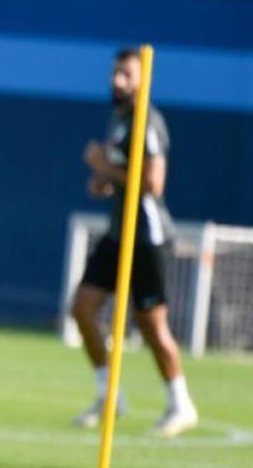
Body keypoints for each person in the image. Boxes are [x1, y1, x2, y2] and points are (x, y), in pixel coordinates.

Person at [73, 47, 197, 438]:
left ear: (144, 79)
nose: (117, 81)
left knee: (152, 326)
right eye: (115, 73)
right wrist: (104, 182)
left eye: (126, 74)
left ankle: (181, 403)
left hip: (146, 238)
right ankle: (108, 394)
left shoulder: (148, 122)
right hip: (117, 233)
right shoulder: (119, 120)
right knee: (82, 308)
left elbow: (153, 184)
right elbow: (124, 175)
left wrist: (102, 165)